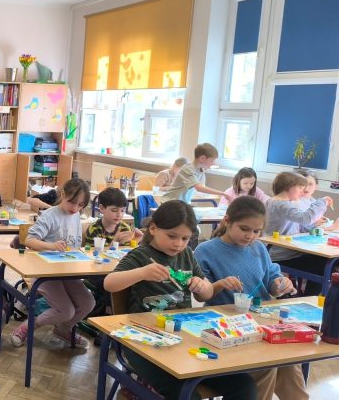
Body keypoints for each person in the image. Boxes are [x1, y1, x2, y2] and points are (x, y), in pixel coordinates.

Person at [103, 200, 256, 399]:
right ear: (153, 228)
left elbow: (206, 294)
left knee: (245, 386)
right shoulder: (141, 255)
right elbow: (109, 283)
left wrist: (202, 286)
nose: (178, 244)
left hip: (183, 337)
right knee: (186, 394)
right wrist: (141, 273)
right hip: (142, 341)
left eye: (185, 238)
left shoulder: (187, 255)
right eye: (172, 236)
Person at [194, 196, 307, 400]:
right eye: (244, 229)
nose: (250, 236)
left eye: (256, 231)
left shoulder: (258, 248)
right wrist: (220, 284)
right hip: (228, 324)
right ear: (227, 221)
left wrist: (280, 285)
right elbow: (202, 294)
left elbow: (271, 279)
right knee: (268, 364)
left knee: (290, 359)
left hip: (262, 320)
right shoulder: (206, 250)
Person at [10, 178, 96, 349]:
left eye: (80, 205)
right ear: (63, 195)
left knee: (88, 303)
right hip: (45, 273)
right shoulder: (50, 215)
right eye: (72, 202)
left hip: (66, 272)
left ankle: (63, 330)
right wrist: (51, 246)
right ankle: (28, 327)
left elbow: (74, 245)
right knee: (66, 310)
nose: (75, 208)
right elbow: (30, 240)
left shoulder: (76, 215)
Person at [264, 171, 332, 295]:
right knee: (323, 266)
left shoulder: (278, 202)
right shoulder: (281, 204)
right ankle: (309, 297)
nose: (303, 191)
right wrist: (322, 202)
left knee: (324, 262)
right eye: (300, 187)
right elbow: (305, 218)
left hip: (286, 250)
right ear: (289, 187)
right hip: (281, 254)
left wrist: (315, 224)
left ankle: (308, 296)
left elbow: (301, 224)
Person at [160, 143, 227, 204]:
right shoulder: (188, 169)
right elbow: (199, 188)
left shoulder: (201, 171)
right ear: (202, 158)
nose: (213, 163)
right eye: (212, 161)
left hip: (182, 204)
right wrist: (222, 193)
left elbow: (202, 187)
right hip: (170, 203)